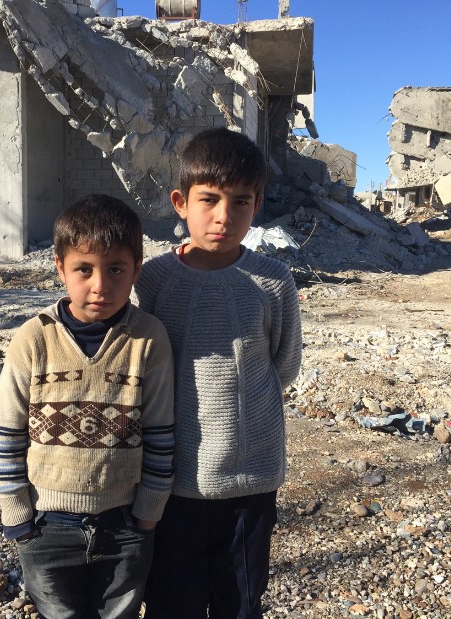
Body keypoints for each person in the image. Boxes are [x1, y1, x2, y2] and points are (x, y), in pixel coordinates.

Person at [133, 126, 303, 619]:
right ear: (180, 203)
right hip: (169, 482)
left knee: (240, 601)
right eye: (209, 200)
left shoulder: (273, 281)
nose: (224, 217)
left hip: (249, 481)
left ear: (258, 204)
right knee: (172, 602)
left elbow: (283, 365)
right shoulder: (154, 280)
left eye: (241, 202)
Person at [0, 193, 176, 619]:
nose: (100, 285)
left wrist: (148, 511)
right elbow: (8, 433)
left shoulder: (148, 338)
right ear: (60, 267)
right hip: (46, 524)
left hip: (124, 523)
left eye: (115, 269)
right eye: (84, 269)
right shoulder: (33, 339)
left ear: (135, 270)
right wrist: (17, 514)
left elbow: (161, 429)